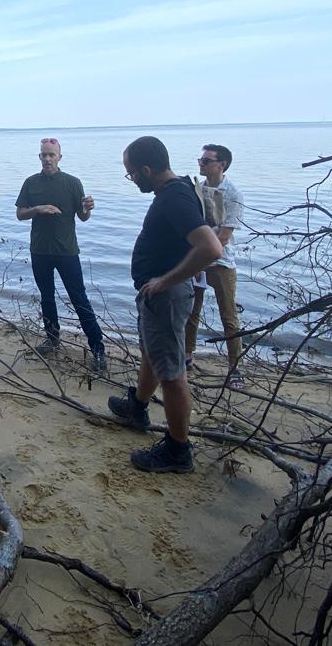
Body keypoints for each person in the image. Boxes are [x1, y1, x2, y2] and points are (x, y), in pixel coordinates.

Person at [109, 136, 222, 473]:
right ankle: (138, 407)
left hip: (168, 296)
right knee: (152, 354)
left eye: (132, 174)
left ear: (147, 169)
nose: (133, 181)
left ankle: (177, 451)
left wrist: (165, 281)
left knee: (172, 374)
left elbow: (211, 249)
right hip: (157, 297)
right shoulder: (176, 190)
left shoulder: (174, 197)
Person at [15, 136, 106, 370]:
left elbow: (83, 217)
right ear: (39, 157)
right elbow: (20, 214)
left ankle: (98, 349)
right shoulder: (31, 183)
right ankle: (52, 339)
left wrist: (88, 209)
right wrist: (38, 209)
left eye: (51, 155)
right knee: (47, 297)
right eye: (43, 155)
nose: (47, 159)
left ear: (59, 157)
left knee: (79, 299)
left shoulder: (72, 183)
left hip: (67, 252)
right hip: (40, 251)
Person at [184, 144, 246, 387]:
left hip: (221, 261)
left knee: (228, 316)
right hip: (196, 259)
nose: (201, 163)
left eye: (207, 160)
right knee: (191, 311)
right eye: (201, 159)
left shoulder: (233, 194)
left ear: (222, 165)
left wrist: (202, 257)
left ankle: (235, 369)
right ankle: (187, 358)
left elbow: (224, 236)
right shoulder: (197, 189)